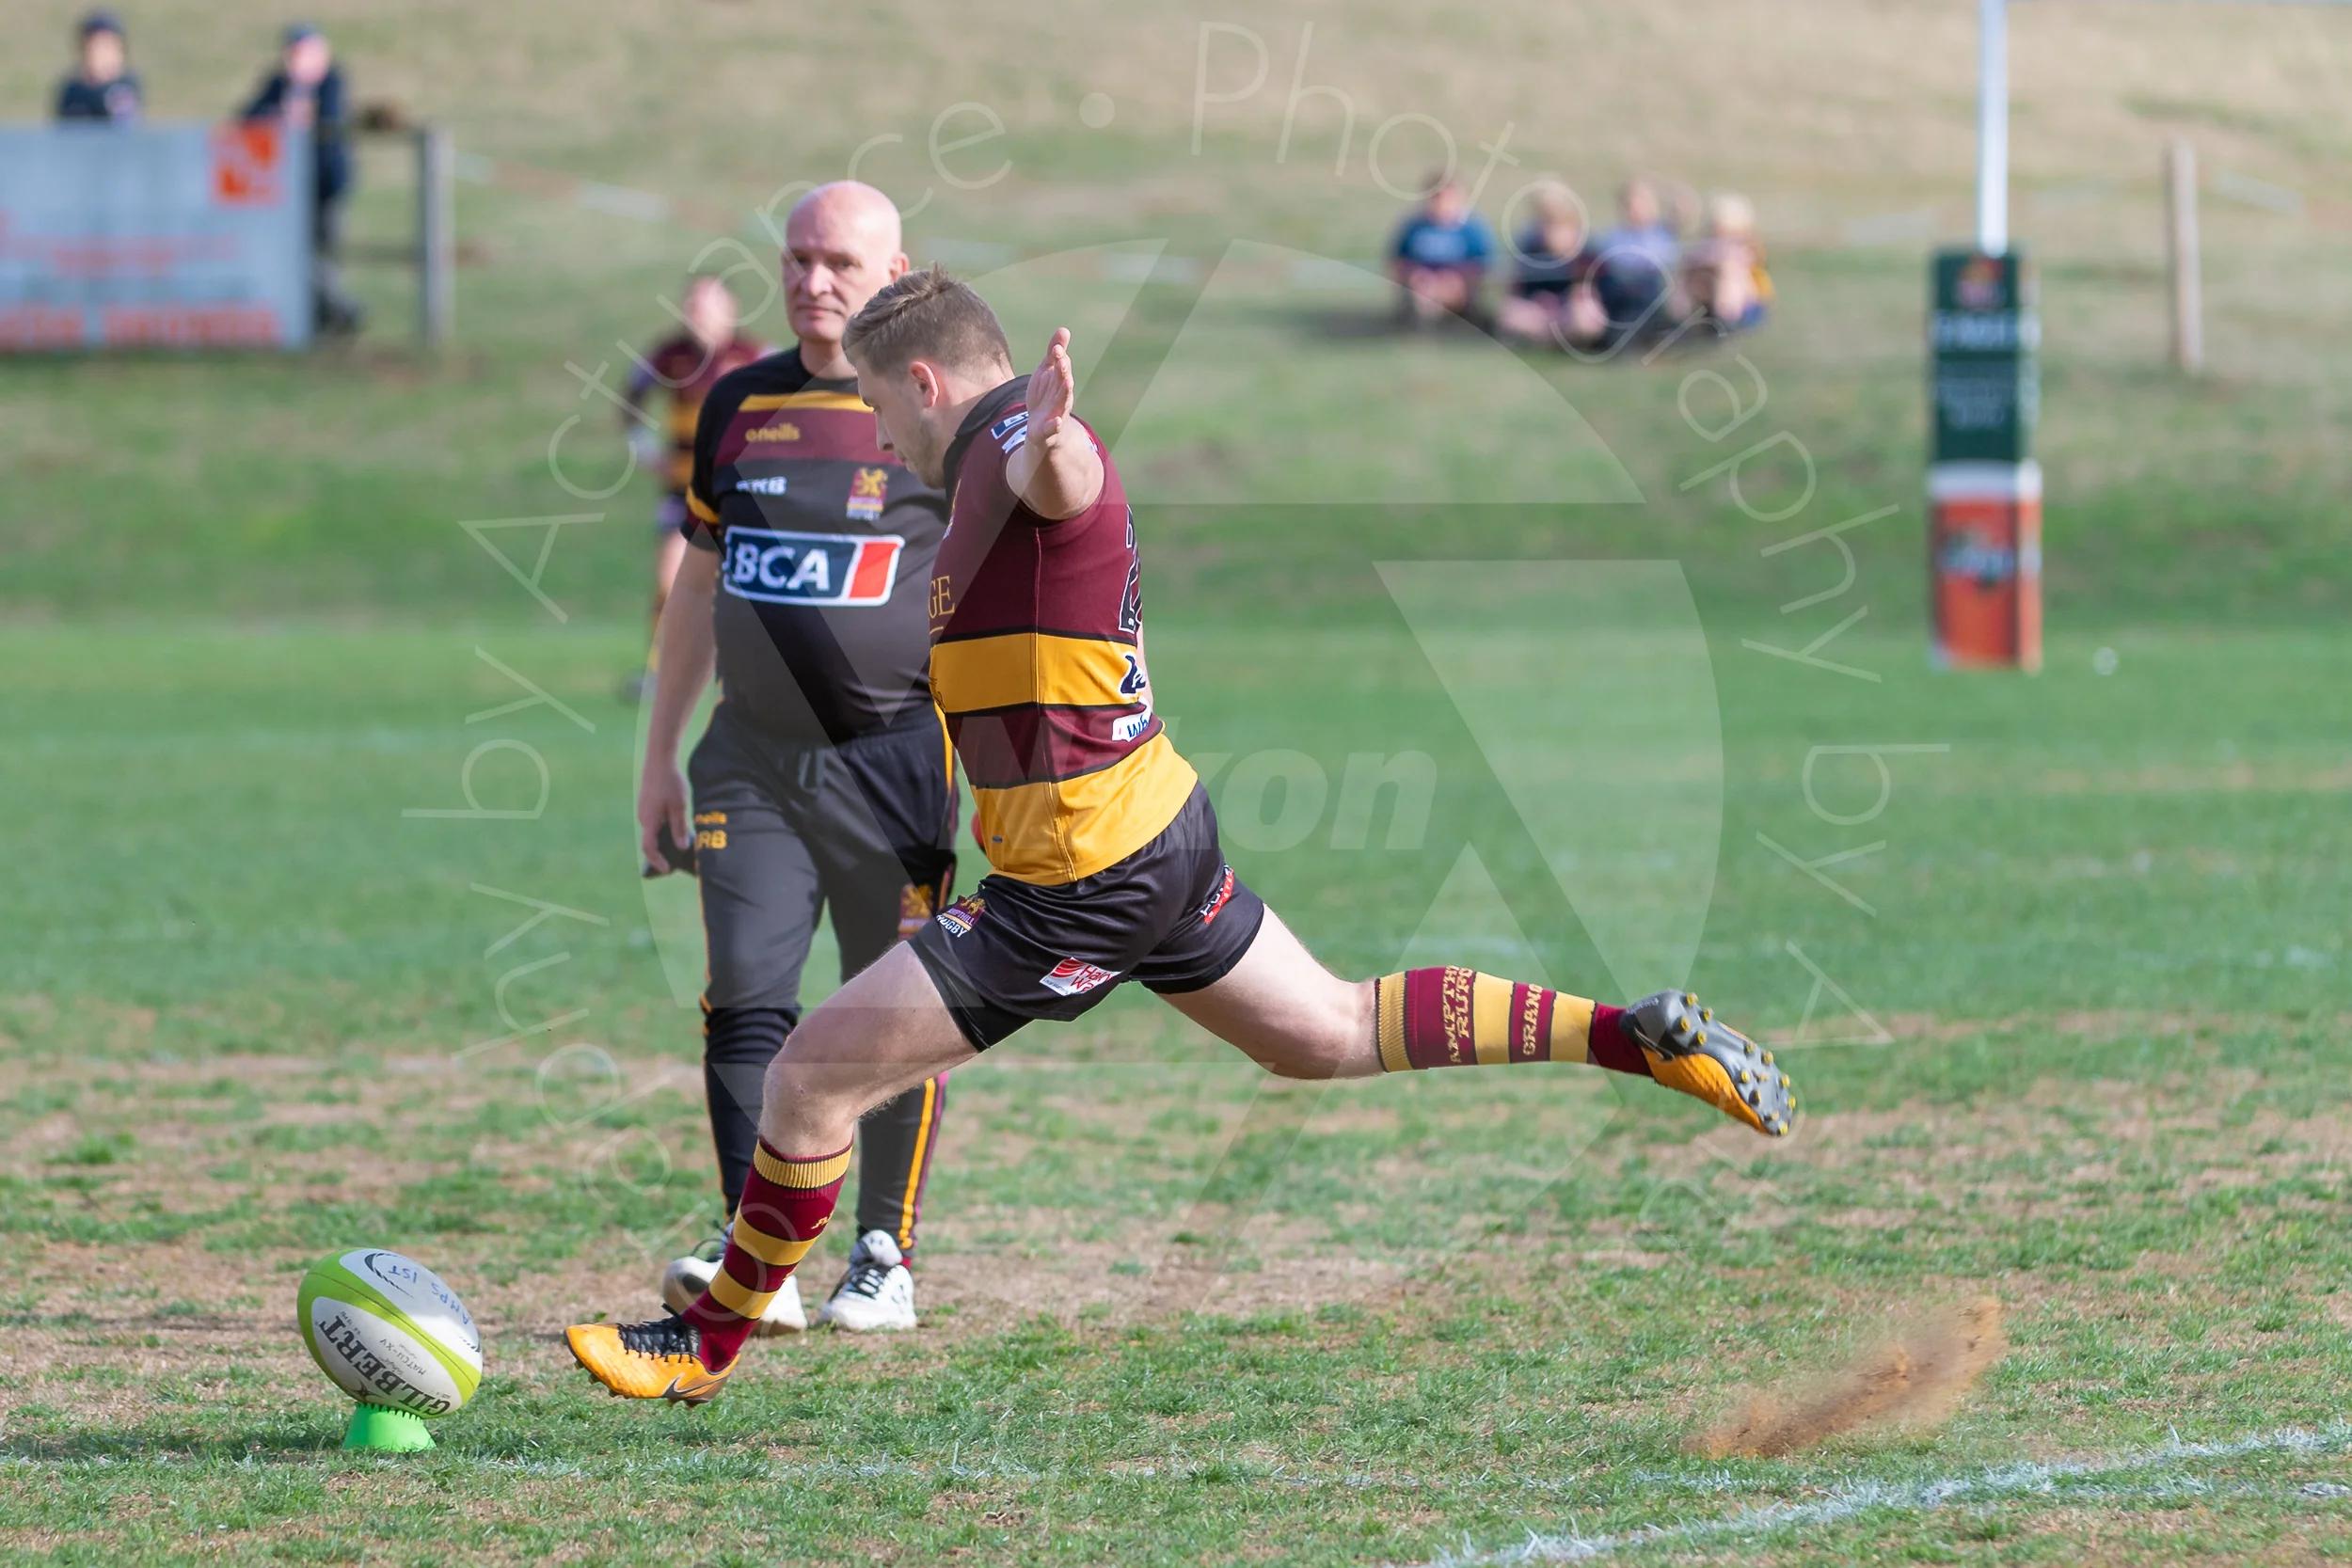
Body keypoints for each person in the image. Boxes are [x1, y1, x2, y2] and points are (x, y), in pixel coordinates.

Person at [565, 266, 1800, 1403]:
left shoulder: (1009, 449)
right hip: (1158, 832)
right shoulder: (982, 469)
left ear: (928, 382)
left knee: (809, 1075)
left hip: (1077, 883)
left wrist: (1053, 436)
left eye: (886, 413)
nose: (881, 443)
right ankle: (1630, 1040)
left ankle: (704, 1344)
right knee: (1331, 1029)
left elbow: (1069, 481)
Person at [637, 182, 959, 1339]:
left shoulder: (935, 411)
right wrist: (659, 756)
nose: (813, 281)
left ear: (897, 270)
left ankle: (883, 1253)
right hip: (748, 764)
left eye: (839, 261)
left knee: (896, 1015)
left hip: (895, 765)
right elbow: (698, 589)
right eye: (796, 259)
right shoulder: (737, 401)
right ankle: (754, 1255)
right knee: (744, 1001)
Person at [620, 274, 769, 686]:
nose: (697, 315)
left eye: (707, 305)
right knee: (669, 579)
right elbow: (629, 397)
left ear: (730, 310)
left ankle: (749, 668)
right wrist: (642, 448)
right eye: (692, 306)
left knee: (748, 581)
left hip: (740, 492)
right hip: (683, 492)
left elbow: (798, 404)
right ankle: (659, 669)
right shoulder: (669, 356)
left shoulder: (755, 355)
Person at [241, 24, 360, 334]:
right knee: (300, 255)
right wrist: (281, 116)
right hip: (289, 189)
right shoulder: (279, 85)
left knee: (323, 253)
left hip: (325, 184)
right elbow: (247, 119)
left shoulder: (332, 83)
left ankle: (333, 316)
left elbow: (330, 126)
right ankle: (335, 313)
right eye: (293, 53)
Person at [1496, 182, 1605, 351]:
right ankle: (1553, 342)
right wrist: (1539, 299)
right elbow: (1517, 289)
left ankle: (1567, 342)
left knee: (1584, 318)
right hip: (1540, 313)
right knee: (1510, 315)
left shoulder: (1588, 251)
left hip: (1568, 311)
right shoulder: (1529, 246)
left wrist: (1573, 297)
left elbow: (1597, 292)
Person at [1387, 178, 1496, 326]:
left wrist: (1455, 279)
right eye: (1437, 198)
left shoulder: (1471, 229)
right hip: (1422, 284)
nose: (1443, 204)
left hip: (1458, 286)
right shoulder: (1414, 227)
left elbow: (1482, 265)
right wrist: (1415, 276)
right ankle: (1423, 326)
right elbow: (1398, 261)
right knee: (1424, 289)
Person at [1590, 176, 1682, 344]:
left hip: (1654, 299)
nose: (1637, 209)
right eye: (1632, 204)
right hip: (1621, 298)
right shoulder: (1612, 237)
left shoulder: (1664, 236)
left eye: (1643, 203)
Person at [1681, 193, 1773, 333]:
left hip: (1748, 304)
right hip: (1708, 301)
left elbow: (1743, 263)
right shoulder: (1709, 247)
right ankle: (1680, 318)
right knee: (1691, 272)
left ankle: (1726, 322)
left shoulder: (1746, 249)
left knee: (1728, 271)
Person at [55, 10, 141, 123]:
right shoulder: (73, 90)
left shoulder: (126, 85)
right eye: (96, 48)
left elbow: (123, 122)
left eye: (108, 47)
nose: (102, 55)